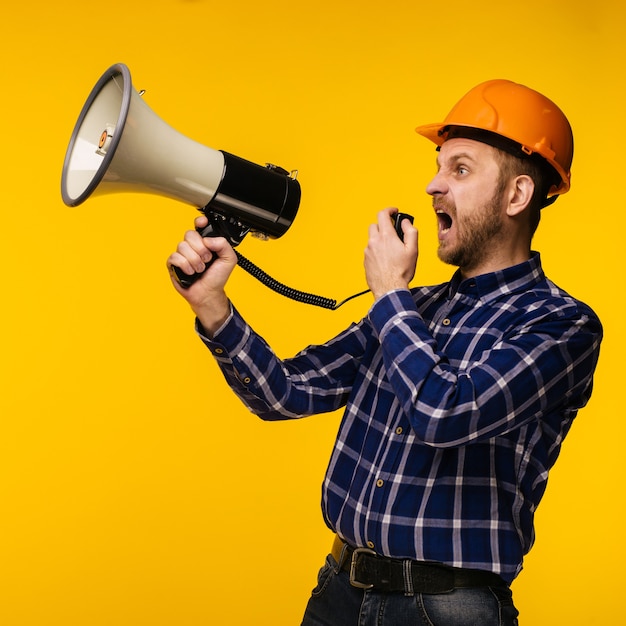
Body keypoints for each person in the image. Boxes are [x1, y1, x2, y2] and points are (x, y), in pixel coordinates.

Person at [166, 80, 602, 626]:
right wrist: (212, 307)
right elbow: (285, 393)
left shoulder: (561, 325)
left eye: (459, 170)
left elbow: (446, 412)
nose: (433, 185)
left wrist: (391, 297)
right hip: (339, 593)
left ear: (516, 196)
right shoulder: (411, 309)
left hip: (448, 609)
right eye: (438, 166)